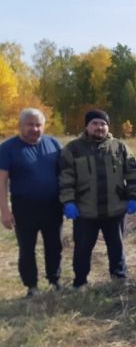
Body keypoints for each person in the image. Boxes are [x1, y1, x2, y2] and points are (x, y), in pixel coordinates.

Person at [59, 109, 136, 289]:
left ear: (108, 127)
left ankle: (119, 278)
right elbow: (65, 178)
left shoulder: (120, 147)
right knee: (82, 248)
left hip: (115, 209)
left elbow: (132, 173)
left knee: (116, 246)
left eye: (103, 124)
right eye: (95, 123)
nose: (99, 127)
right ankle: (80, 281)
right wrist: (69, 202)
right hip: (85, 210)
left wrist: (133, 197)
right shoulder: (73, 149)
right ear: (87, 126)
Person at [0, 108, 63, 297]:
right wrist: (5, 210)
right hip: (24, 206)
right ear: (21, 126)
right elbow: (1, 181)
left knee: (54, 245)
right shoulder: (8, 148)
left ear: (43, 126)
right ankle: (32, 286)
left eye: (38, 125)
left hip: (53, 205)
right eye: (30, 124)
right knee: (27, 247)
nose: (34, 129)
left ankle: (55, 280)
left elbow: (65, 174)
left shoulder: (54, 144)